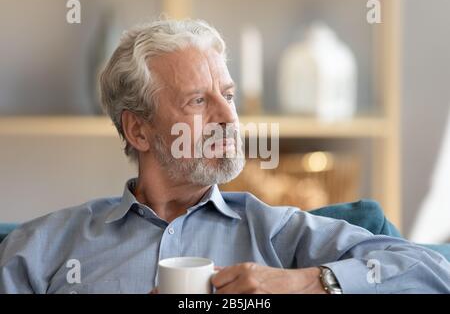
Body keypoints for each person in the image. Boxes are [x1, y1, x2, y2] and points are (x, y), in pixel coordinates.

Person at [0, 19, 449, 294]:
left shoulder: (279, 235)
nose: (228, 118)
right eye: (198, 101)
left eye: (229, 96)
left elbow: (434, 271)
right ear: (138, 128)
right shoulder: (47, 247)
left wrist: (308, 283)